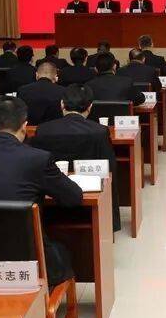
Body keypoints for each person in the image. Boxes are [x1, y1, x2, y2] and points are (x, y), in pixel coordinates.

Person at [0, 97, 83, 287]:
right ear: (24, 126)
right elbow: (73, 197)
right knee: (63, 250)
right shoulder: (38, 158)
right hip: (31, 258)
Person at [30, 84, 120, 231]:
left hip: (51, 200)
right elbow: (109, 170)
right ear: (90, 107)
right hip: (90, 196)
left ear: (62, 104)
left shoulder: (43, 130)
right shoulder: (100, 131)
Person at [18, 60, 65, 125]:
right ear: (56, 77)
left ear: (36, 75)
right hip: (55, 129)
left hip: (28, 129)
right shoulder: (62, 91)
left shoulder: (23, 90)